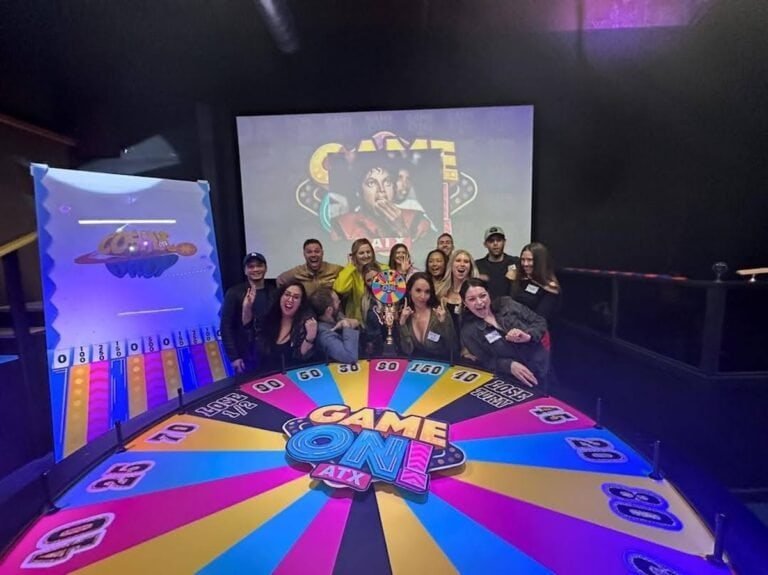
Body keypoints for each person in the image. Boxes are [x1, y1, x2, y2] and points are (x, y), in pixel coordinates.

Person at [460, 278, 549, 387]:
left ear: (489, 294)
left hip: (543, 367)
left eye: (482, 296)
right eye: (472, 299)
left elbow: (539, 321)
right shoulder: (468, 331)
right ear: (465, 303)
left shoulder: (507, 304)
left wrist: (528, 336)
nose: (479, 302)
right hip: (513, 381)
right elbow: (486, 361)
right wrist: (509, 365)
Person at [331, 161, 432, 243]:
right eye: (371, 183)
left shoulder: (417, 221)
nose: (381, 190)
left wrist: (401, 230)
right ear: (359, 192)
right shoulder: (342, 227)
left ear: (394, 188)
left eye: (387, 182)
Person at [219, 252, 276, 373]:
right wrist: (234, 357)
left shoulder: (274, 292)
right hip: (245, 355)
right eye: (251, 266)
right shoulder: (233, 293)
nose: (255, 269)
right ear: (245, 270)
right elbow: (225, 326)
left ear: (265, 268)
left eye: (259, 265)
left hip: (271, 354)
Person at [256, 281, 317, 371]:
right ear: (280, 297)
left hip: (291, 376)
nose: (290, 300)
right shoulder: (268, 318)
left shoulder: (304, 324)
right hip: (264, 374)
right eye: (287, 295)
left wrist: (310, 337)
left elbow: (301, 358)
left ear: (301, 303)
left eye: (296, 297)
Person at [398, 272, 457, 360]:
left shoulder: (440, 312)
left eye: (427, 292)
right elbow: (407, 350)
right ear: (410, 291)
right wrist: (402, 324)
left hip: (441, 363)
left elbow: (453, 347)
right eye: (418, 290)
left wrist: (443, 324)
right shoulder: (405, 315)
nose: (423, 296)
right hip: (415, 365)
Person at [333, 238, 385, 322]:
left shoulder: (383, 269)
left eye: (368, 252)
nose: (366, 255)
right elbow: (340, 289)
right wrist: (350, 266)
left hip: (380, 318)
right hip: (357, 321)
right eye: (361, 253)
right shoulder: (351, 272)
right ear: (354, 256)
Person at [510, 242, 561, 320]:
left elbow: (540, 319)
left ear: (540, 262)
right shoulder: (522, 280)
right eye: (523, 260)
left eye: (530, 260)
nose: (525, 264)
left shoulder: (551, 289)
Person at [276, 239, 343, 296]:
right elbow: (280, 280)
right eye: (309, 252)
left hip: (330, 306)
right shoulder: (298, 272)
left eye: (317, 251)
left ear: (322, 253)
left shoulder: (335, 269)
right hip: (307, 307)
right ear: (304, 254)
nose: (313, 255)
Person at [310, 288, 360, 364]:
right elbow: (350, 357)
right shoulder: (324, 335)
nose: (340, 302)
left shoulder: (337, 316)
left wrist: (355, 322)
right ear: (329, 310)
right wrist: (347, 326)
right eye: (337, 301)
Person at [437, 249, 479, 333]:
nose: (462, 264)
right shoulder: (441, 292)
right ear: (451, 265)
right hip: (447, 338)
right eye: (458, 260)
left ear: (470, 267)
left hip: (471, 338)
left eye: (466, 261)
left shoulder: (478, 292)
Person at [475, 226, 520, 300]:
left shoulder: (516, 262)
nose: (495, 243)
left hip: (510, 305)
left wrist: (517, 276)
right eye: (491, 241)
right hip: (485, 306)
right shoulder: (477, 265)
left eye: (499, 240)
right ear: (485, 244)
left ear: (504, 242)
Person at [360, 263, 389, 356]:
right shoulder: (364, 301)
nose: (373, 282)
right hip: (377, 348)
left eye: (376, 277)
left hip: (395, 344)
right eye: (369, 280)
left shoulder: (393, 295)